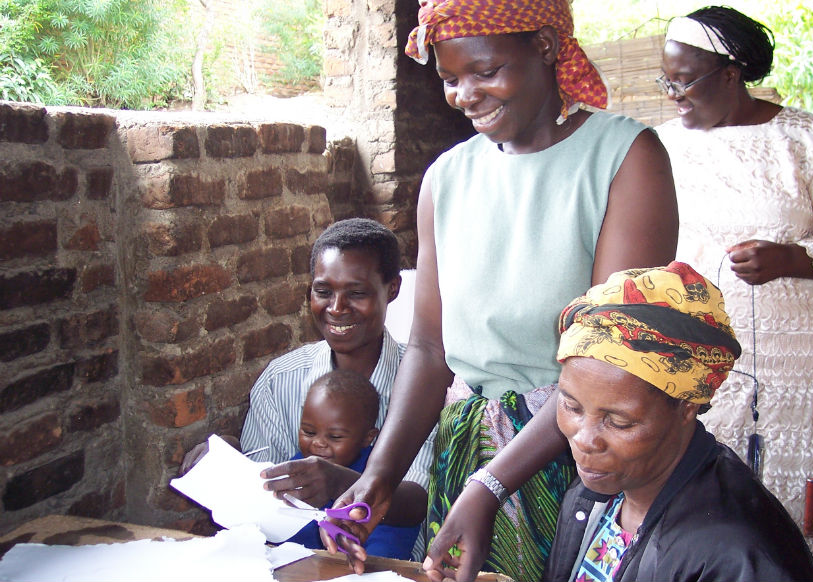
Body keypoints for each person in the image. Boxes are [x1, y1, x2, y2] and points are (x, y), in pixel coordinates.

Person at [290, 1, 679, 579]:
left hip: (583, 458)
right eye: (450, 79)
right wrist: (378, 481)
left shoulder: (625, 158)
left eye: (486, 71)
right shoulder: (447, 178)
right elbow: (427, 350)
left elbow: (609, 360)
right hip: (465, 454)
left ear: (545, 47)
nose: (464, 95)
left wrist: (491, 485)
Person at [654, 6, 813, 532]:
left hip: (790, 357)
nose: (673, 94)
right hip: (691, 347)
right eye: (666, 81)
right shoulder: (661, 146)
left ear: (731, 74)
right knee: (691, 490)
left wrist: (792, 257)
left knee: (780, 486)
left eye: (685, 81)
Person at [543, 263, 813, 582]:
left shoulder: (735, 555)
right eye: (571, 406)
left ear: (687, 405)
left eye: (618, 422)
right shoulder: (597, 494)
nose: (585, 439)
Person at [179, 218, 435, 557]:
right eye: (323, 291)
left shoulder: (427, 384)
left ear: (392, 289)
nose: (337, 308)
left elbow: (419, 500)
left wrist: (336, 480)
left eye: (356, 293)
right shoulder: (280, 380)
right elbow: (258, 504)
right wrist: (227, 462)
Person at [286, 369, 423, 560]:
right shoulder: (299, 467)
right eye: (309, 432)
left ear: (368, 437)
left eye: (335, 437)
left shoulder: (378, 480)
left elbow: (386, 552)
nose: (318, 443)